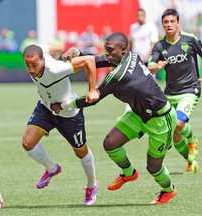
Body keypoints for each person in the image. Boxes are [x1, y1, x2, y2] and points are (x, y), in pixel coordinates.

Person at [51, 32, 178, 204]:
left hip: (161, 119)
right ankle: (129, 173)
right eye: (107, 50)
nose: (107, 54)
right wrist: (79, 54)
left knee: (153, 167)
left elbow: (92, 98)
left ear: (123, 50)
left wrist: (63, 106)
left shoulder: (117, 76)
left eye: (110, 50)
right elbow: (101, 59)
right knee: (110, 143)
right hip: (139, 114)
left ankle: (168, 190)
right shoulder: (132, 55)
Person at [22, 44, 99, 205]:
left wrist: (92, 89)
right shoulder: (39, 52)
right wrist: (61, 52)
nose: (30, 69)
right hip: (46, 108)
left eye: (34, 65)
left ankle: (92, 184)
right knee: (27, 143)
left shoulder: (56, 69)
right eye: (27, 65)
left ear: (42, 60)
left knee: (81, 152)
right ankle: (52, 169)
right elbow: (55, 47)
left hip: (69, 113)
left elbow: (89, 61)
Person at [148, 9, 202, 173]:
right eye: (166, 22)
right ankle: (190, 162)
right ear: (163, 25)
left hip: (190, 89)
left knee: (178, 123)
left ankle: (192, 139)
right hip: (170, 92)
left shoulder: (190, 39)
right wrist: (156, 66)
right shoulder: (159, 45)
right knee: (174, 133)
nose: (169, 25)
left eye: (172, 21)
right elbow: (150, 66)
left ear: (178, 23)